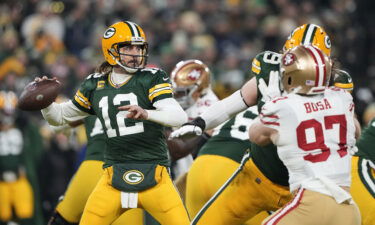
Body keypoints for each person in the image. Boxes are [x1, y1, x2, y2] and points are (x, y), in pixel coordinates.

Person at [169, 24, 335, 224]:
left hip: (297, 188)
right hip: (253, 177)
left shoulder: (335, 94)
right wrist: (201, 122)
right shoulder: (271, 74)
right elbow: (233, 103)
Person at [36, 21, 190, 225]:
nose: (135, 53)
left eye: (139, 47)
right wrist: (45, 102)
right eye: (128, 47)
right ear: (111, 50)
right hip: (112, 177)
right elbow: (59, 118)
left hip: (155, 174)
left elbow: (178, 117)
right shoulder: (94, 84)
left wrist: (147, 113)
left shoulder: (151, 77)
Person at [249, 45, 360, 225]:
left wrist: (268, 103)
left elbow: (255, 136)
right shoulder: (341, 97)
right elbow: (356, 131)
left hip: (313, 202)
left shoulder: (283, 106)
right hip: (349, 209)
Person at [47, 116, 144, 225]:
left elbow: (58, 125)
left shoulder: (90, 100)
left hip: (91, 169)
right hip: (127, 173)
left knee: (61, 220)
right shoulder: (143, 101)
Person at [0, 91, 34, 223]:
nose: (7, 117)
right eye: (4, 112)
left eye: (10, 112)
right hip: (2, 179)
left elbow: (25, 120)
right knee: (3, 216)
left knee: (25, 213)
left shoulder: (21, 127)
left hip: (19, 177)